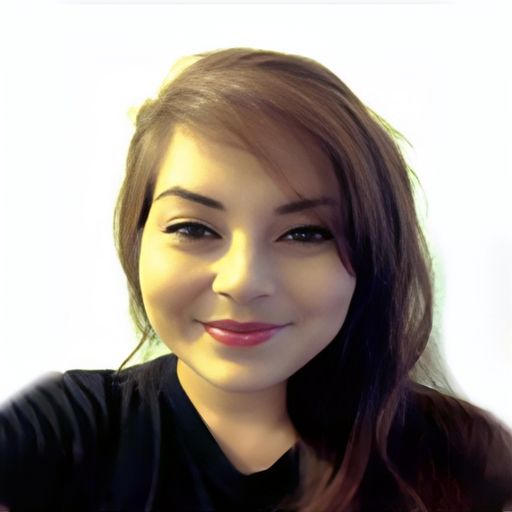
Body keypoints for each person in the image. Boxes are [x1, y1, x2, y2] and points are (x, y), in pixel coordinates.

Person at [1, 47, 511, 512]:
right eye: (193, 228)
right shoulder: (59, 429)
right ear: (138, 240)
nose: (242, 282)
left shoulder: (468, 459)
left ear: (375, 254)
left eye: (305, 233)